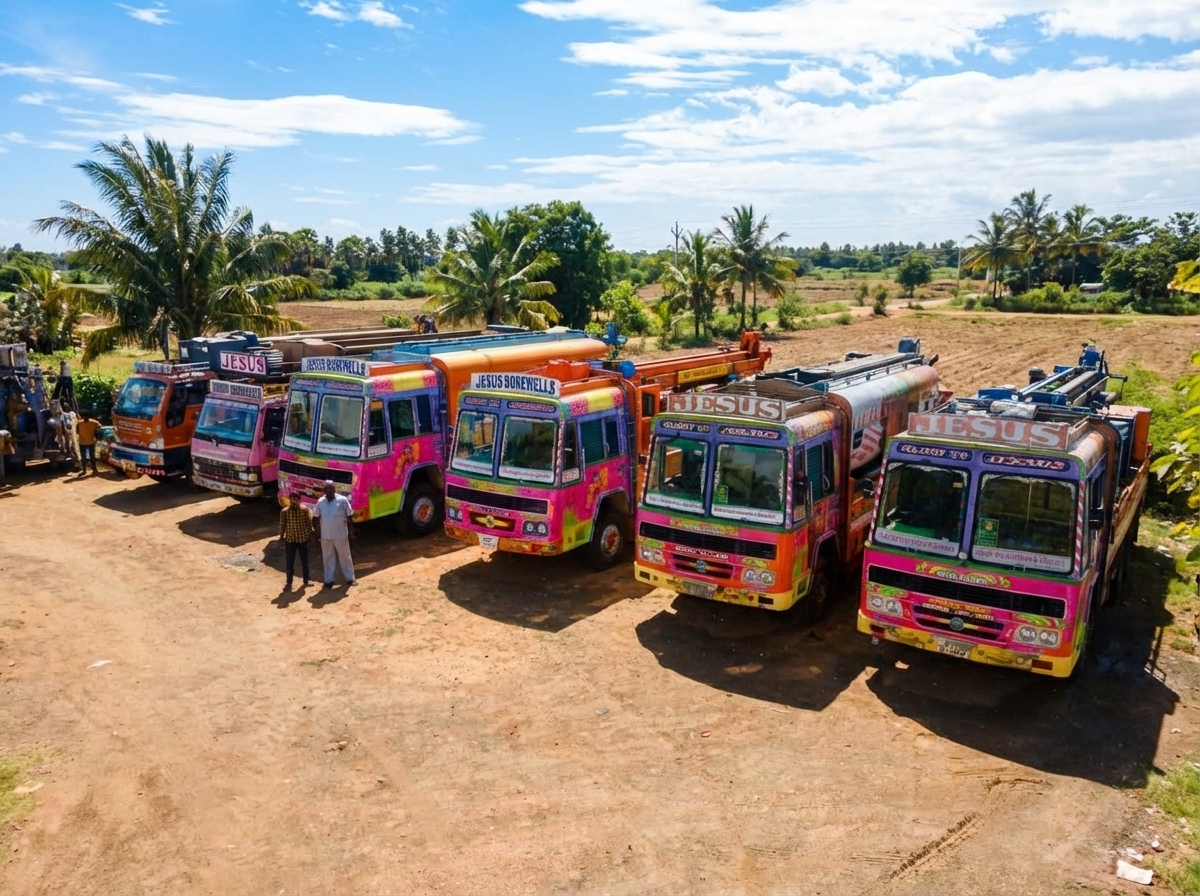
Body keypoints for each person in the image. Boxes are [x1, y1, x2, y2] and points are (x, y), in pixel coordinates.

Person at [314, 480, 356, 587]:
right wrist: (317, 533)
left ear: (334, 489)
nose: (329, 490)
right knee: (327, 558)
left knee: (345, 556)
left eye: (331, 488)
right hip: (326, 536)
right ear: (324, 490)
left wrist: (351, 533)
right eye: (327, 488)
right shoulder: (320, 502)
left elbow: (350, 516)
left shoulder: (343, 500)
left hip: (341, 535)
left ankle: (350, 578)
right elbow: (315, 517)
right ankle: (329, 580)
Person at [278, 491, 314, 590]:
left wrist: (311, 538)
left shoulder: (305, 510)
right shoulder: (284, 512)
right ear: (289, 499)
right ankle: (289, 583)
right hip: (290, 540)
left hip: (302, 539)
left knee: (304, 561)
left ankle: (306, 580)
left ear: (299, 500)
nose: (293, 500)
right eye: (292, 498)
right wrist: (281, 536)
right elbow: (282, 525)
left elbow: (309, 524)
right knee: (289, 562)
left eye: (295, 499)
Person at [76, 410, 101, 475]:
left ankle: (90, 470)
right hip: (85, 442)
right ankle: (88, 470)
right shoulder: (93, 422)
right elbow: (99, 427)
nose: (84, 418)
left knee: (90, 457)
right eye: (84, 416)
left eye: (85, 416)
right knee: (86, 457)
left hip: (88, 441)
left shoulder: (81, 423)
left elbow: (77, 431)